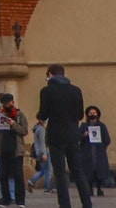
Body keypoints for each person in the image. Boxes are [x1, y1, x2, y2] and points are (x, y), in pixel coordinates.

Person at [37, 64, 92, 208]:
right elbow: (80, 115)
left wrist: (41, 116)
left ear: (50, 75)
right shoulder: (76, 90)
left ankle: (65, 205)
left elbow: (43, 114)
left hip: (56, 136)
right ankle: (87, 203)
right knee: (78, 171)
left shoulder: (47, 91)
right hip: (73, 135)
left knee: (60, 173)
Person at [0, 92, 29, 208]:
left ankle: (20, 200)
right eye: (4, 103)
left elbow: (24, 131)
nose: (7, 105)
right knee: (3, 176)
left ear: (12, 102)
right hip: (2, 149)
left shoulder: (19, 115)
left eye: (9, 102)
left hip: (16, 150)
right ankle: (5, 199)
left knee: (18, 176)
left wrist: (13, 124)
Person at [78, 106, 112, 194]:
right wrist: (84, 135)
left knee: (99, 170)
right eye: (90, 113)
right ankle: (89, 188)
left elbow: (107, 139)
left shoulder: (102, 126)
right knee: (88, 171)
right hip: (87, 152)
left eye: (94, 113)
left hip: (99, 152)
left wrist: (102, 147)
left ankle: (99, 188)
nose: (92, 115)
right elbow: (77, 138)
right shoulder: (84, 126)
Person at [29, 121, 52, 194]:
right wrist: (44, 153)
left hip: (40, 152)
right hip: (44, 152)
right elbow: (42, 142)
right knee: (47, 170)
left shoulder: (37, 128)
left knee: (44, 170)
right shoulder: (41, 129)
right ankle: (47, 188)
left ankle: (32, 181)